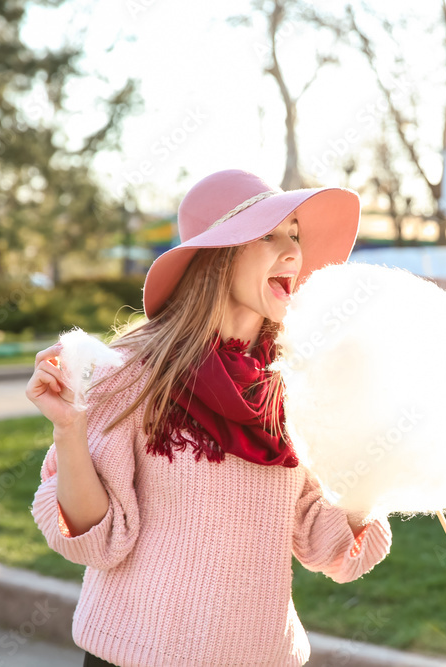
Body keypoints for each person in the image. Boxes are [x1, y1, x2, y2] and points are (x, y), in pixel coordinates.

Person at [26, 169, 392, 667]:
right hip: (134, 657)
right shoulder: (132, 373)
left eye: (296, 236)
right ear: (219, 255)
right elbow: (98, 541)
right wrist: (69, 429)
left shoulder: (297, 383)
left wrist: (373, 450)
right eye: (269, 235)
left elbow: (324, 544)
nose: (293, 253)